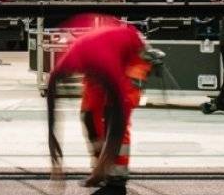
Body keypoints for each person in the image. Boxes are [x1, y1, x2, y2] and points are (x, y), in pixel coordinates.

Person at [46, 16, 154, 195]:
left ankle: (117, 182)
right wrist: (56, 160)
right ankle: (101, 169)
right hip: (102, 56)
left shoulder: (107, 65)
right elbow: (52, 108)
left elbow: (117, 122)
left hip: (132, 56)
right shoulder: (70, 59)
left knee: (115, 116)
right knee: (88, 116)